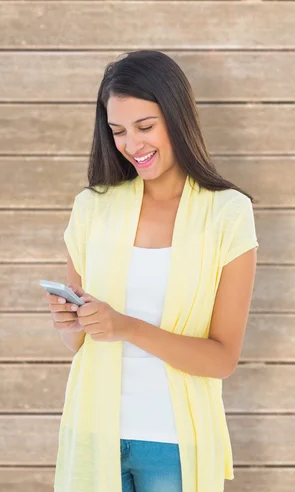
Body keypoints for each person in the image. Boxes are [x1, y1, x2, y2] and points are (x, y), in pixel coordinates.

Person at [45, 49, 259, 492]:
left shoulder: (227, 214)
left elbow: (222, 359)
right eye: (118, 131)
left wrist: (125, 326)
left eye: (145, 126)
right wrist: (70, 322)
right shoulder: (93, 208)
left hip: (173, 444)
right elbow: (79, 343)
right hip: (92, 435)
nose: (132, 144)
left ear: (178, 117)